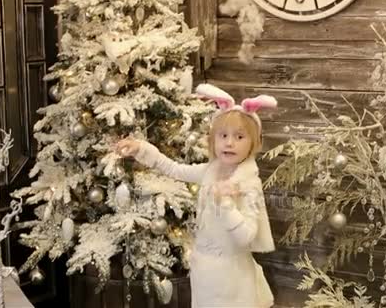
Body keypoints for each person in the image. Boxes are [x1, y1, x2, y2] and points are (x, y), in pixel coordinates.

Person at [116, 83, 277, 308]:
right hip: (205, 274)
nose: (229, 142)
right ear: (213, 140)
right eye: (223, 135)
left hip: (233, 280)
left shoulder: (249, 184)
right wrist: (141, 148)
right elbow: (173, 168)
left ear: (254, 143)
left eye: (239, 137)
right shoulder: (209, 171)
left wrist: (225, 203)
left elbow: (246, 236)